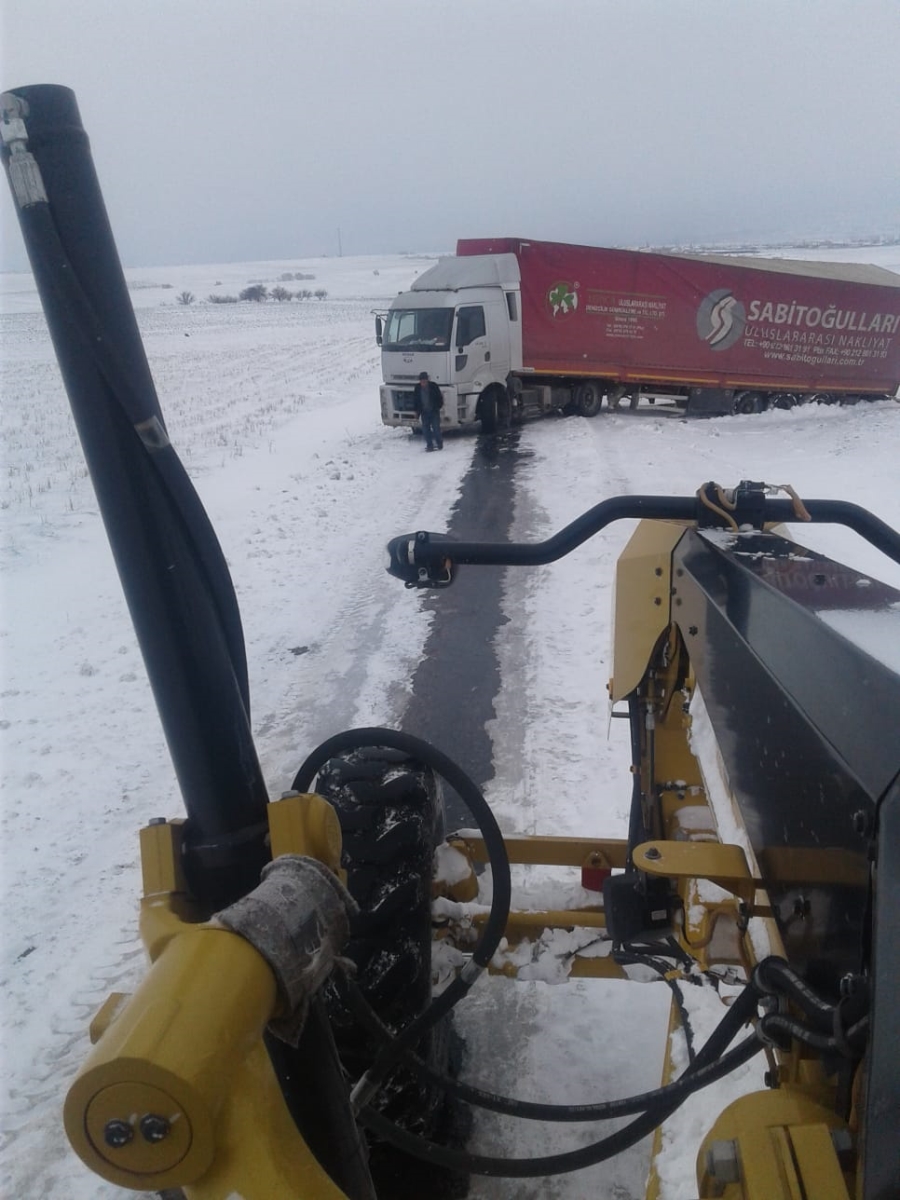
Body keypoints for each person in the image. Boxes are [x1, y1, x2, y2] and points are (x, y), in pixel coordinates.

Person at [413, 371, 444, 451]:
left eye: (424, 381)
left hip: (434, 411)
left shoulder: (433, 386)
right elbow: (416, 401)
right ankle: (430, 445)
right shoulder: (417, 388)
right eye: (421, 381)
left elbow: (439, 397)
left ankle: (439, 443)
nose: (423, 383)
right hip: (424, 412)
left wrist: (438, 407)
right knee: (426, 429)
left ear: (427, 380)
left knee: (436, 428)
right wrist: (417, 412)